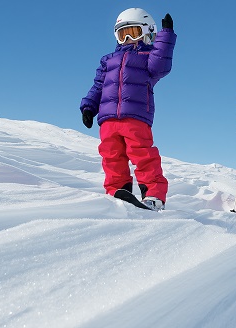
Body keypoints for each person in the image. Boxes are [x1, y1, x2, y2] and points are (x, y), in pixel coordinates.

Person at [80, 8, 176, 211]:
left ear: (147, 32)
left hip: (136, 116)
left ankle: (154, 194)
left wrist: (165, 37)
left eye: (133, 32)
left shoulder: (148, 57)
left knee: (142, 154)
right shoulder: (108, 60)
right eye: (123, 34)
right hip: (108, 119)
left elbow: (161, 65)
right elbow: (98, 86)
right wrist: (89, 106)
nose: (128, 38)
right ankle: (116, 191)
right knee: (111, 155)